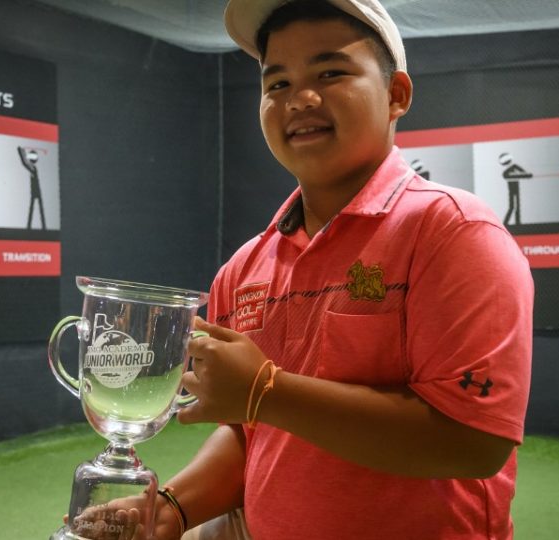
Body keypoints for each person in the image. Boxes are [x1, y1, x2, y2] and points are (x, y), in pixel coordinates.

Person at [79, 1, 533, 538]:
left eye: (330, 72)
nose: (301, 98)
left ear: (396, 95)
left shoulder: (452, 233)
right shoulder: (244, 268)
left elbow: (475, 441)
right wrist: (172, 508)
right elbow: (256, 436)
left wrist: (267, 392)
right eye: (277, 84)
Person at [499, 152, 532, 226]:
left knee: (517, 206)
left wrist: (527, 175)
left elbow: (524, 173)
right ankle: (505, 223)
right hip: (511, 190)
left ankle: (517, 223)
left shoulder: (515, 167)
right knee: (511, 207)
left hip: (516, 189)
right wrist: (525, 175)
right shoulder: (507, 171)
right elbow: (505, 175)